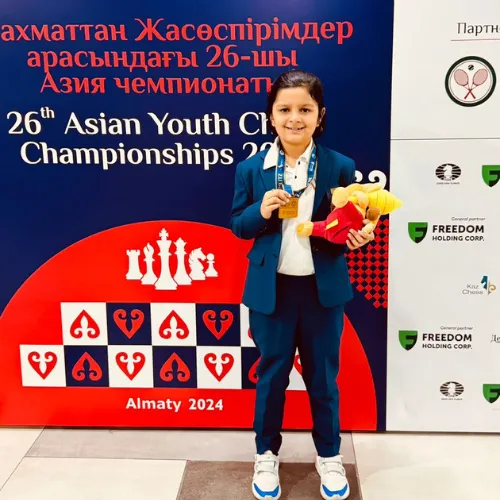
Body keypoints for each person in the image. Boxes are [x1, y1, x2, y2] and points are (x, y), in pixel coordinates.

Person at [229, 69, 374, 500]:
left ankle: (329, 455)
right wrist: (261, 210)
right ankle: (265, 454)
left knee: (323, 378)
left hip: (321, 291)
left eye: (305, 109)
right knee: (271, 376)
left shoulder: (340, 166)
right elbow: (239, 226)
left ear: (319, 115)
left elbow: (351, 222)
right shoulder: (252, 169)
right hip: (271, 292)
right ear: (271, 116)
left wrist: (359, 236)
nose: (295, 118)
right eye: (285, 109)